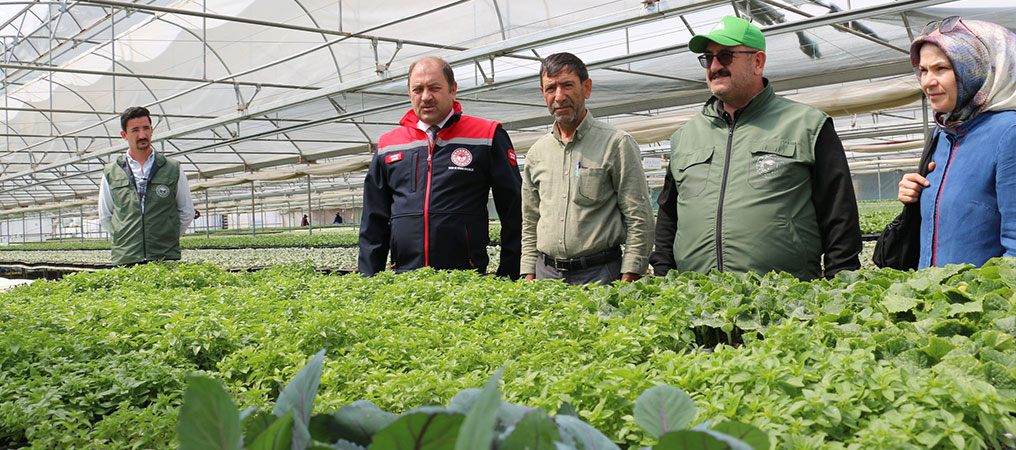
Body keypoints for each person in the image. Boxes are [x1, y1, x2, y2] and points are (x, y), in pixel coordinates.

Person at [651, 16, 861, 280]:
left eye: (726, 56)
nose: (714, 66)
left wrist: (839, 280)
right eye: (708, 58)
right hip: (697, 300)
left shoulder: (807, 125)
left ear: (758, 62)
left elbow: (839, 212)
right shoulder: (684, 137)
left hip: (787, 300)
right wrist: (662, 275)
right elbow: (669, 216)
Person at [359, 56, 522, 278]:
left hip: (466, 277)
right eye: (418, 89)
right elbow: (373, 221)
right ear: (409, 92)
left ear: (452, 90)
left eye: (434, 88)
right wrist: (369, 281)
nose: (426, 97)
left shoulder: (487, 135)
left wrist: (510, 272)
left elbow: (514, 212)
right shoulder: (389, 144)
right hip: (404, 278)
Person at [521, 53, 654, 285]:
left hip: (600, 274)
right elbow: (530, 220)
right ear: (543, 94)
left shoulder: (616, 144)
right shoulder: (536, 153)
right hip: (546, 275)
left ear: (587, 88)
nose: (559, 96)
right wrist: (528, 273)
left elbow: (638, 216)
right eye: (551, 88)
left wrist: (630, 274)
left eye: (567, 85)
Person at [896, 18, 1016, 268]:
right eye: (924, 70)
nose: (927, 82)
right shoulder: (943, 133)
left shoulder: (1009, 133)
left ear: (977, 70)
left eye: (941, 69)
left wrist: (984, 302)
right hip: (934, 301)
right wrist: (915, 195)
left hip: (980, 304)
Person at [99, 106, 194, 266]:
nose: (142, 135)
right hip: (126, 259)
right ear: (124, 135)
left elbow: (186, 212)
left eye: (146, 128)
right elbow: (106, 216)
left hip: (165, 258)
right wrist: (126, 240)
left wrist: (166, 238)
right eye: (135, 130)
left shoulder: (172, 168)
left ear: (151, 130)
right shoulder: (112, 172)